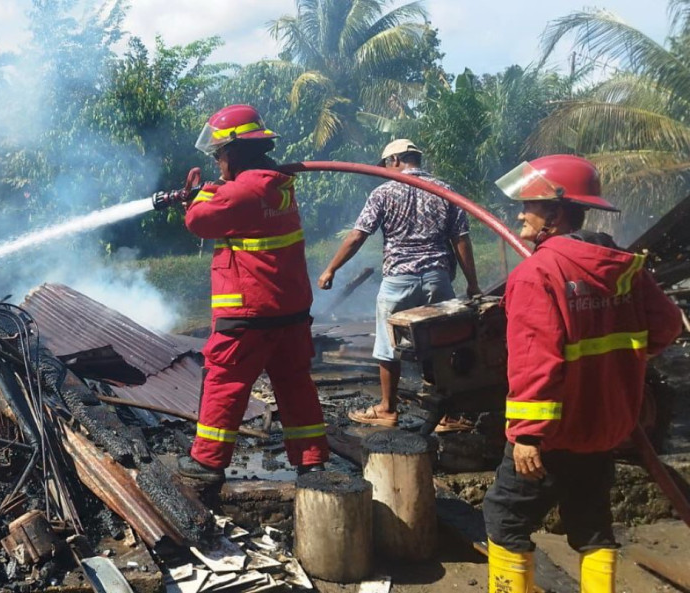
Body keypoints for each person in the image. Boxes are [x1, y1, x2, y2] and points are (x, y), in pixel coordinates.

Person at [482, 155, 683, 593]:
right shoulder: (624, 267)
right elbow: (667, 326)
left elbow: (537, 359)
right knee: (592, 526)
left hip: (552, 434)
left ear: (555, 213)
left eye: (529, 206)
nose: (520, 213)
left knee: (505, 519)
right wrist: (617, 366)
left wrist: (528, 433)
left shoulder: (538, 273)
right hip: (606, 427)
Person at [174, 104, 330, 487]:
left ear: (237, 150)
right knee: (295, 382)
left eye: (220, 154)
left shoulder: (240, 193)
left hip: (248, 313)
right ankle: (311, 461)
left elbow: (198, 221)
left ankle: (208, 462)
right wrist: (211, 191)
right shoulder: (277, 186)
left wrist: (198, 195)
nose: (218, 161)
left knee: (225, 381)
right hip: (290, 311)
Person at [318, 139, 480, 428]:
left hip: (398, 280)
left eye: (385, 165)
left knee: (387, 343)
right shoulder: (444, 190)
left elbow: (358, 236)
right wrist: (473, 284)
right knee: (442, 343)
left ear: (395, 160)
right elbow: (461, 240)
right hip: (436, 278)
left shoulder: (384, 192)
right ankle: (447, 414)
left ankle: (388, 409)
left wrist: (331, 269)